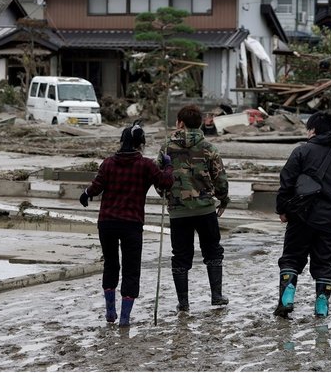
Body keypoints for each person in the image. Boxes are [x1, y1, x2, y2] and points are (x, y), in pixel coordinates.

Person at [79, 120, 173, 327]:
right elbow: (165, 183)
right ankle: (124, 318)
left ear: (121, 142)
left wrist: (85, 194)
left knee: (111, 264)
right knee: (131, 269)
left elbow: (95, 187)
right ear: (141, 144)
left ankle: (110, 312)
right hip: (131, 224)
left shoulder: (108, 163)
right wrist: (168, 166)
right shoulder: (146, 165)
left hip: (107, 223)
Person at [274, 111, 331, 318]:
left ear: (312, 130)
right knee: (324, 263)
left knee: (292, 258)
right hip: (329, 220)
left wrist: (282, 210)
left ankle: (287, 297)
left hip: (301, 218)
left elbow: (286, 181)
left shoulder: (301, 151)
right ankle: (321, 304)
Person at [157, 104, 230, 312]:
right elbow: (220, 179)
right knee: (213, 252)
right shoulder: (209, 149)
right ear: (199, 124)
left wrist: (166, 195)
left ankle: (183, 302)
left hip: (178, 211)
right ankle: (216, 296)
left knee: (180, 255)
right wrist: (223, 199)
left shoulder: (166, 148)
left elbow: (158, 176)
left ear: (180, 123)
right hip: (205, 209)